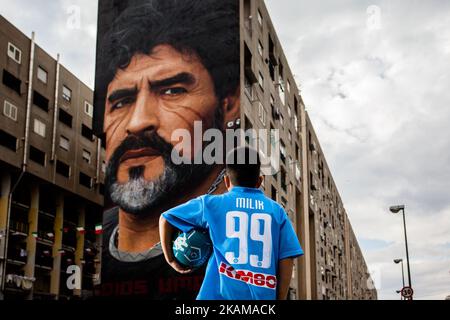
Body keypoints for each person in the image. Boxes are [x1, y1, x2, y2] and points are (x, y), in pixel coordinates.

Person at [95, 0, 240, 298]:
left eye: (172, 91)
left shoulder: (240, 240)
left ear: (228, 106)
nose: (136, 123)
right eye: (121, 101)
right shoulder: (91, 246)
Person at [160, 147, 304, 300]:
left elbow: (165, 218)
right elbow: (287, 258)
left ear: (227, 180)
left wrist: (171, 260)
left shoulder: (210, 204)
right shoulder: (276, 211)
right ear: (259, 181)